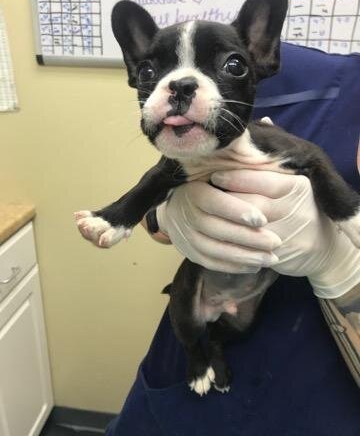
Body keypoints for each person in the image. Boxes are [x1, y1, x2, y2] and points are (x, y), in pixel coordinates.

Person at [106, 42, 360, 435]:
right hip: (183, 369)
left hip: (324, 404)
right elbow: (168, 177)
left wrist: (340, 266)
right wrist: (166, 218)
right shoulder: (254, 64)